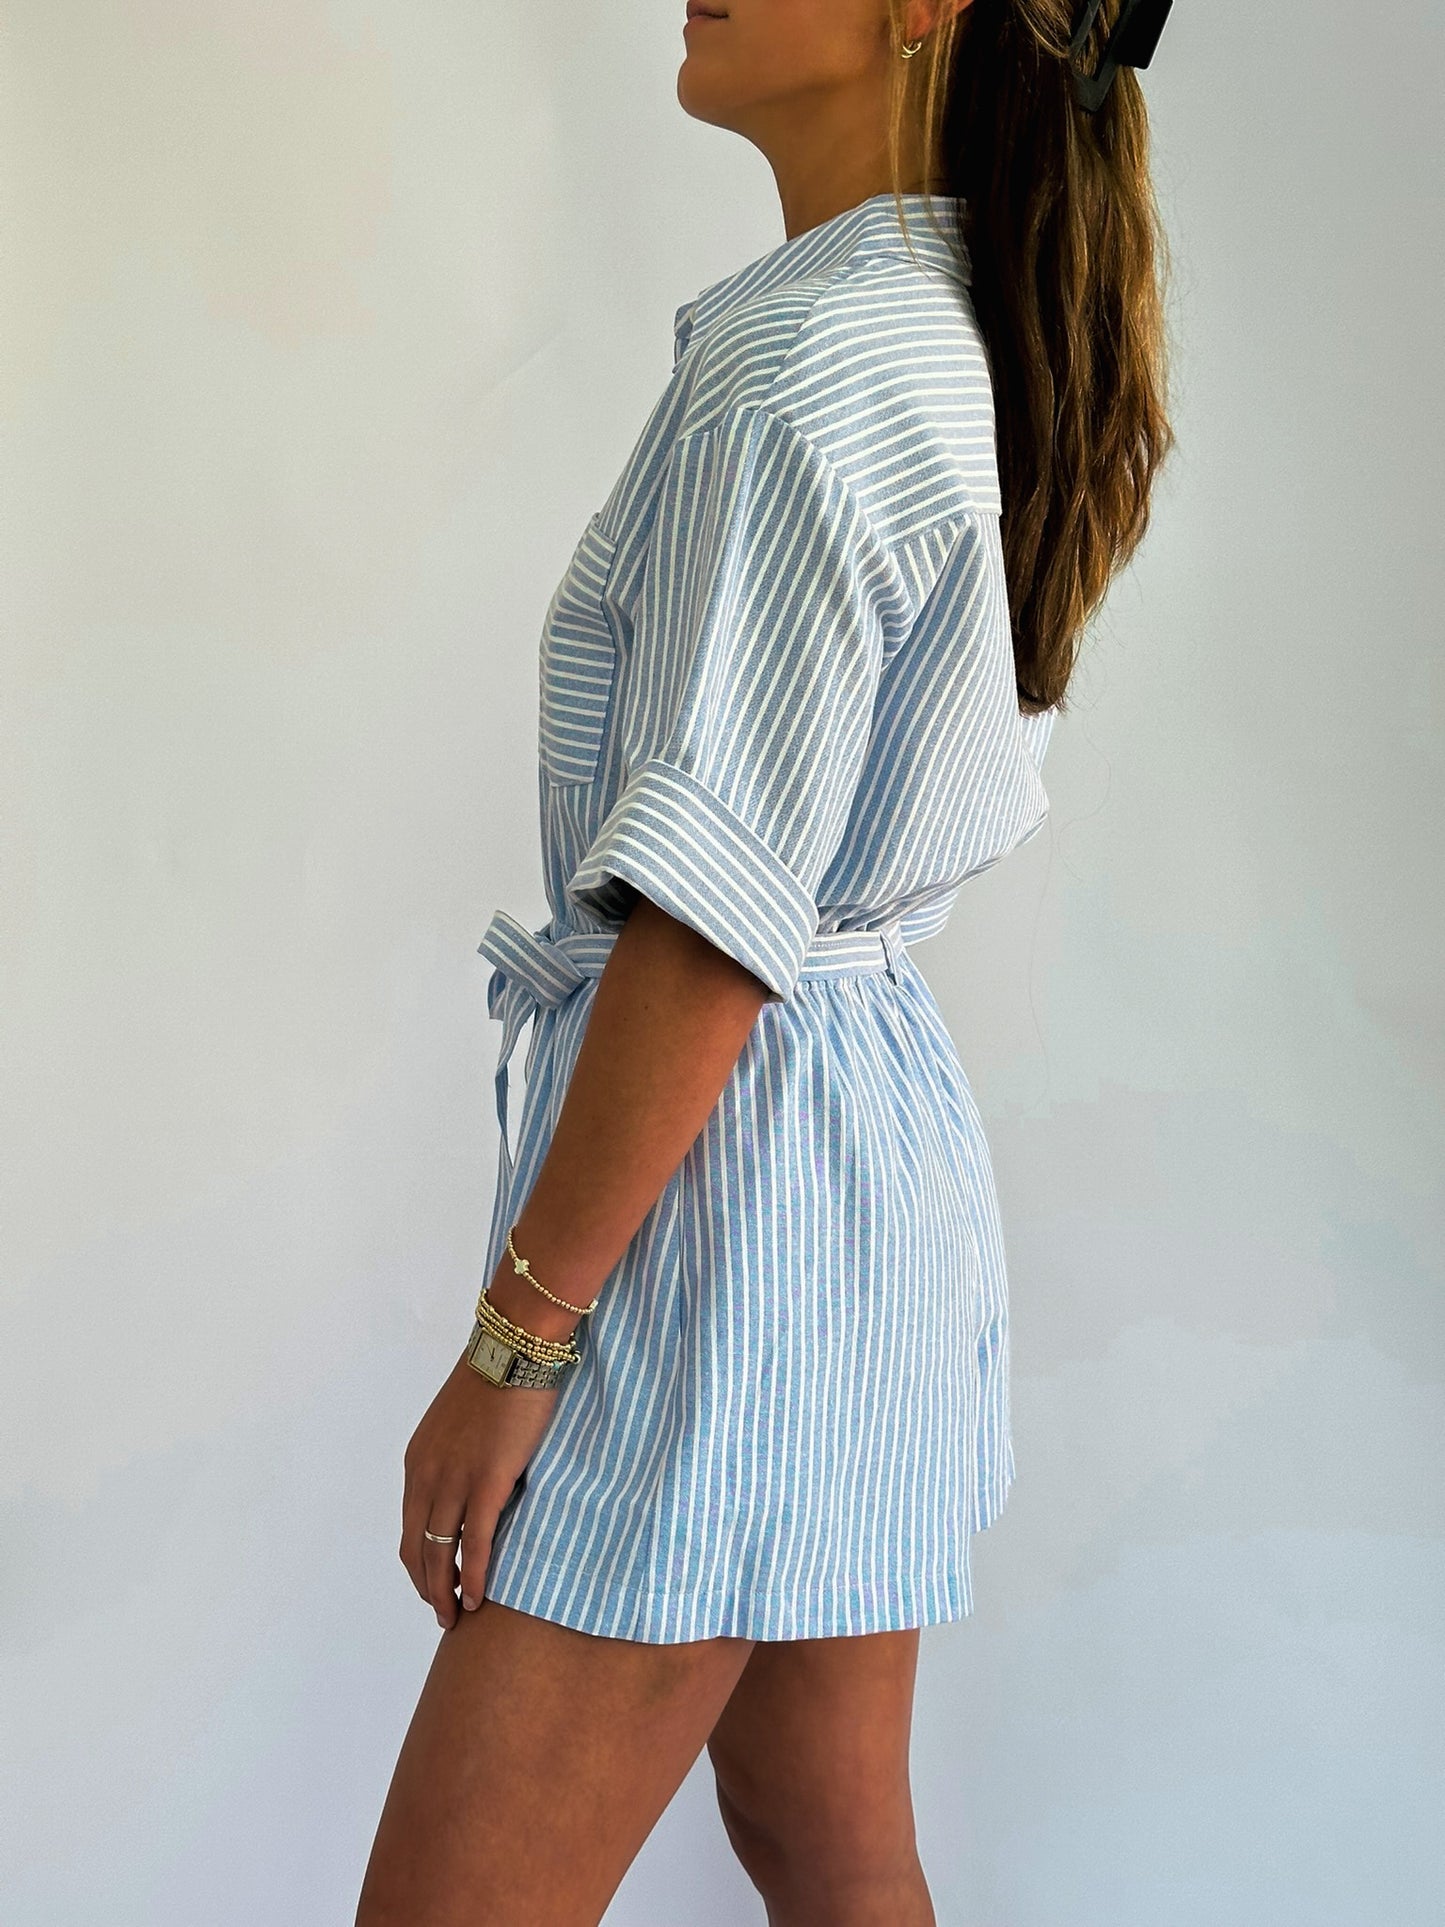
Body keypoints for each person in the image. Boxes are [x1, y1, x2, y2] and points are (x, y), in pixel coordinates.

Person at [356, 0, 1174, 1920]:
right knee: (827, 1847)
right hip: (855, 1186)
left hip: (721, 1218)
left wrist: (516, 1340)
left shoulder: (808, 363)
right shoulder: (967, 328)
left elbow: (714, 929)